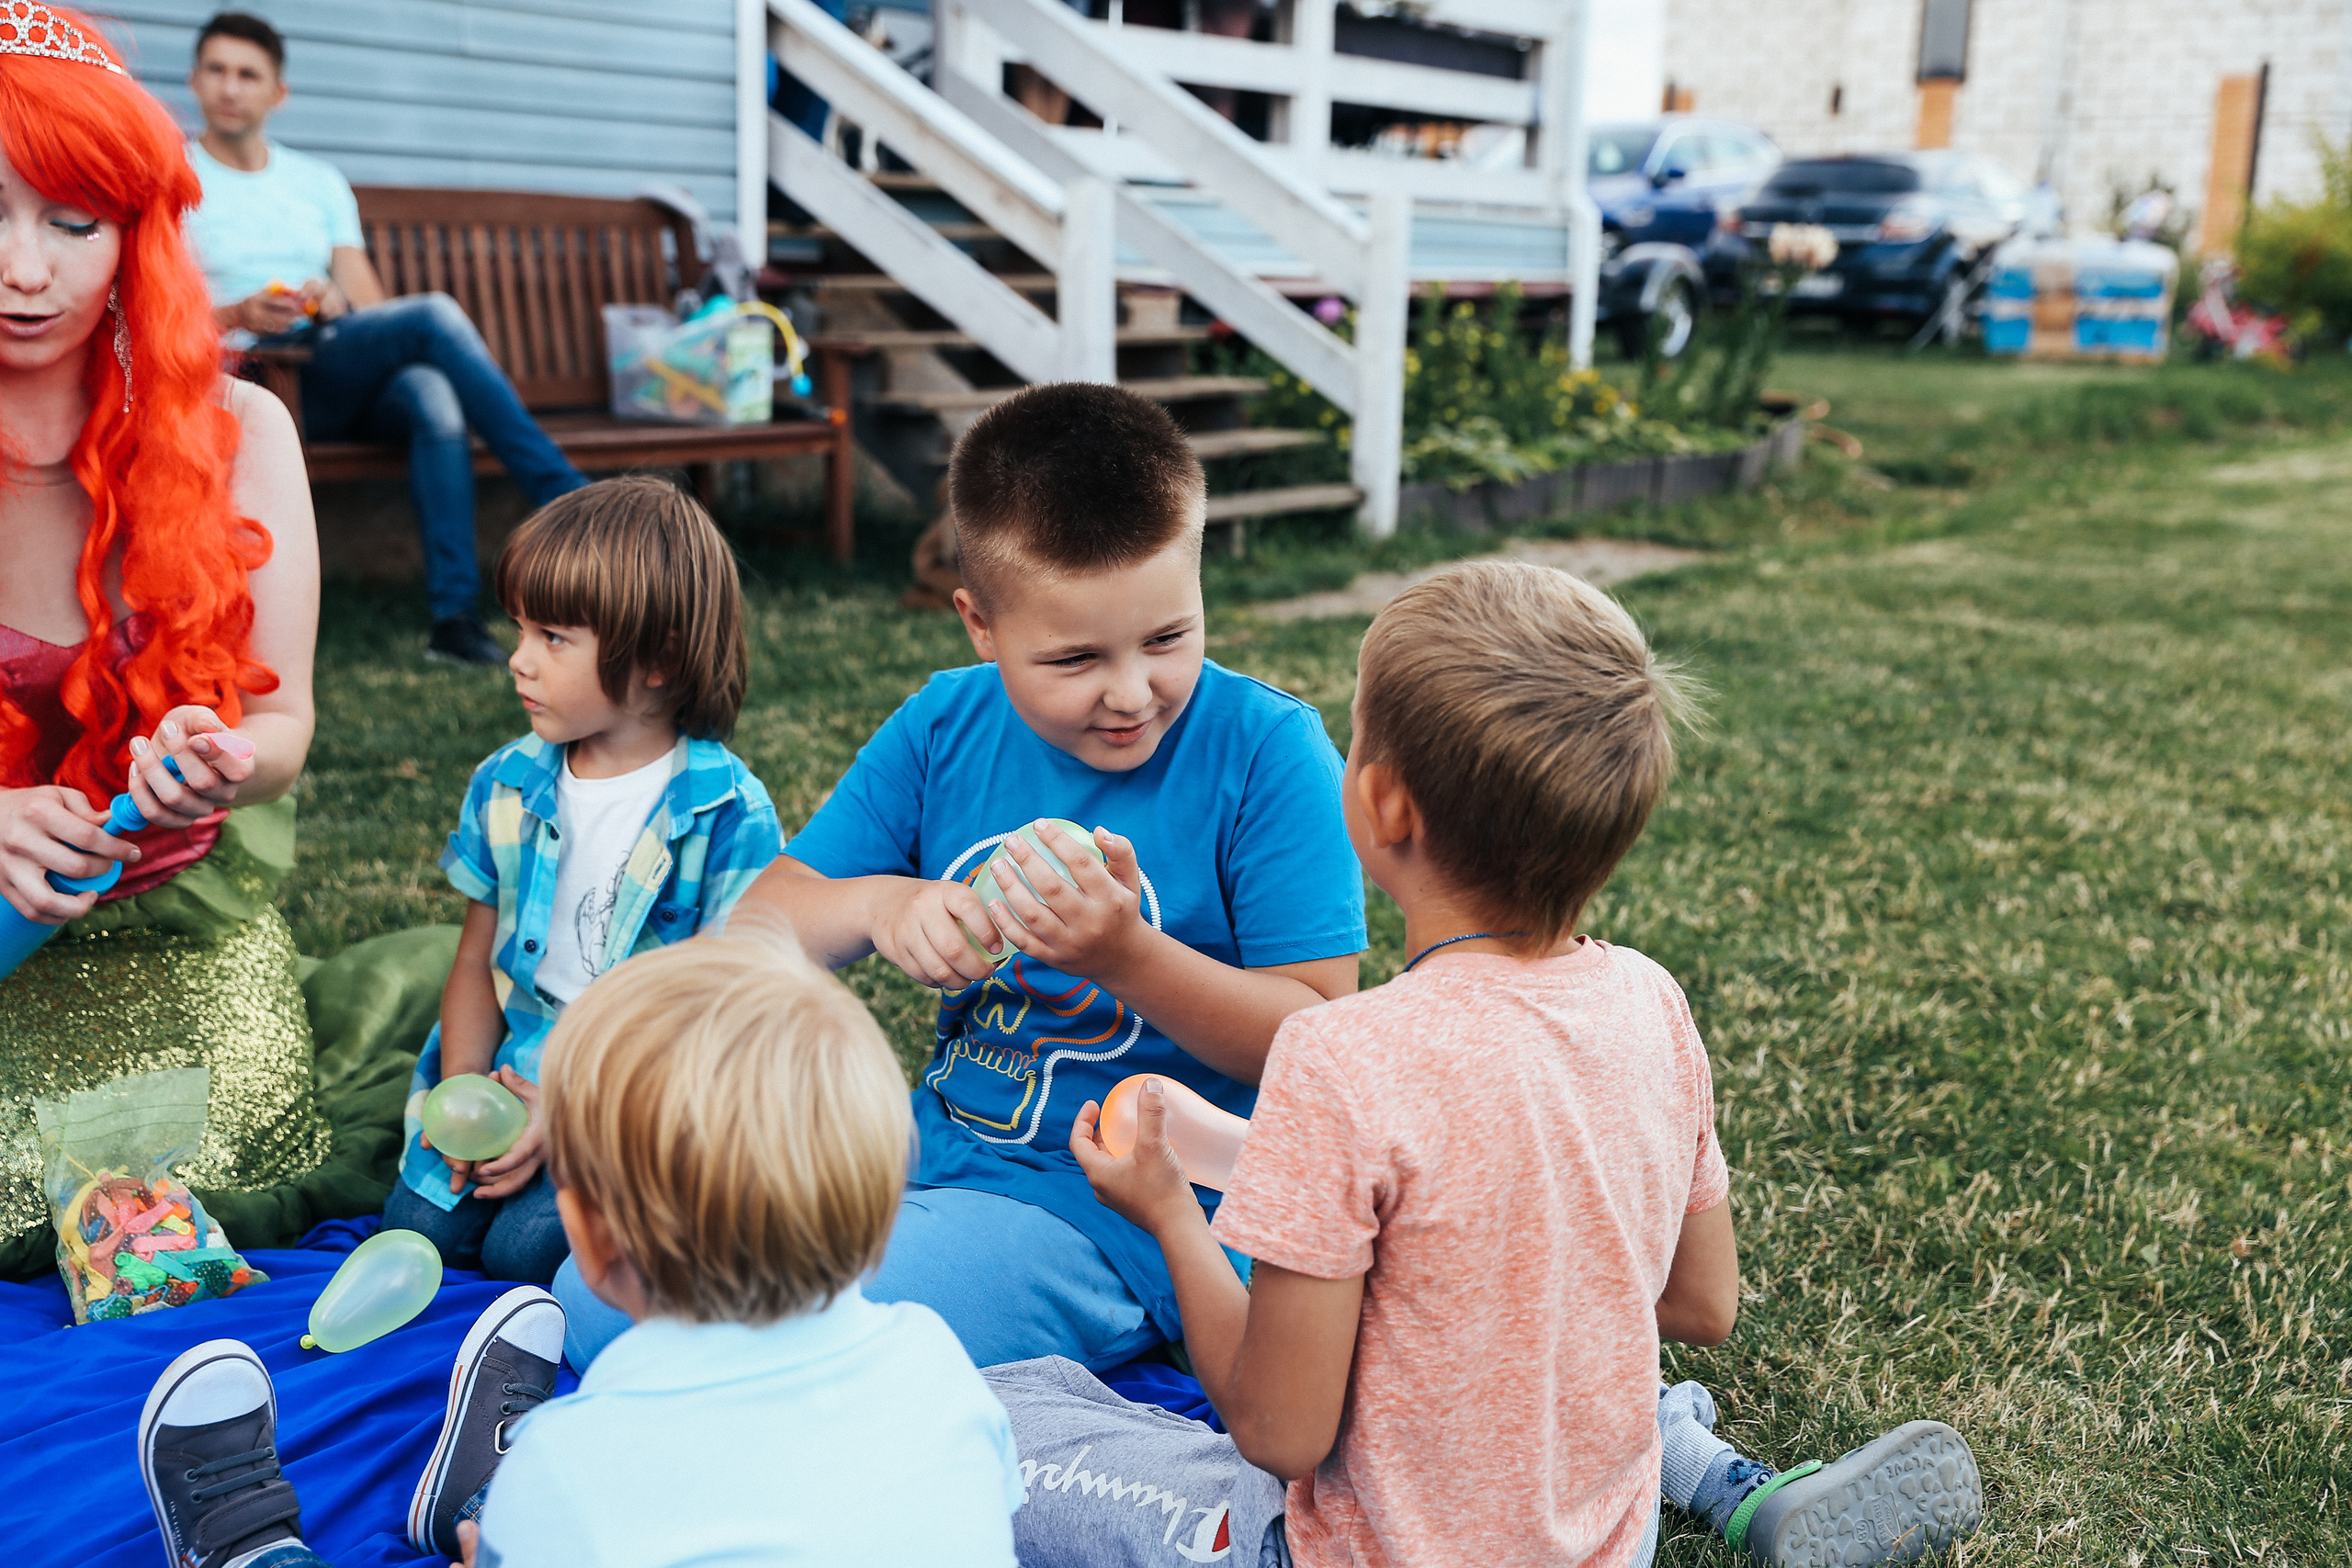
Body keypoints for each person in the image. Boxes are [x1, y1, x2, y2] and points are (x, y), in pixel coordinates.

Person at [989, 560, 1986, 1567]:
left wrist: (1169, 1211)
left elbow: (1279, 1431)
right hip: (1604, 1543)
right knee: (1536, 1342)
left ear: (1383, 802)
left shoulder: (1340, 1056)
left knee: (1001, 1412)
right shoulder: (1651, 1000)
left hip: (1346, 1551)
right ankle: (1704, 1472)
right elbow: (1701, 1303)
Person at [556, 383, 1367, 1373]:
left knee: (786, 1336)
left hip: (1124, 1213)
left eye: (1167, 638)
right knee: (605, 1288)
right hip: (924, 1151)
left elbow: (1315, 1043)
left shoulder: (1266, 752)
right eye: (1075, 658)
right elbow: (757, 928)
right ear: (979, 623)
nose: (1130, 692)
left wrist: (1127, 957)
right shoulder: (946, 725)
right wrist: (879, 904)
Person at [140, 924, 1026, 1568]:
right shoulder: (937, 1362)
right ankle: (477, 1490)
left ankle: (247, 1550)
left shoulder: (574, 1465)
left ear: (592, 1245)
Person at [0, 3, 412, 1277]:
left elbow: (283, 728)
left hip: (180, 932)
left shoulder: (242, 431)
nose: (25, 271)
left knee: (207, 1172)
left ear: (137, 233)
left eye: (73, 223)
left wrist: (223, 761)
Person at [384, 476, 781, 1285]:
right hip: (514, 1066)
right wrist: (464, 1096)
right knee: (418, 1228)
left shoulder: (729, 815)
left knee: (524, 1250)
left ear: (659, 659)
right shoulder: (506, 783)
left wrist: (566, 1121)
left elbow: (718, 1025)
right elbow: (474, 961)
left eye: (554, 637)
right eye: (519, 629)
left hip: (640, 1097)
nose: (519, 659)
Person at [182, 12, 588, 666]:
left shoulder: (317, 183)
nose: (230, 87)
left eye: (248, 75)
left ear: (278, 93)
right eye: (217, 70)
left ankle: (454, 622)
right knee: (434, 328)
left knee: (429, 388)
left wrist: (332, 301)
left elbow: (369, 306)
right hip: (247, 377)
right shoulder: (175, 177)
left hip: (327, 364)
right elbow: (156, 312)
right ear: (194, 80)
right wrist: (238, 310)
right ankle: (566, 496)